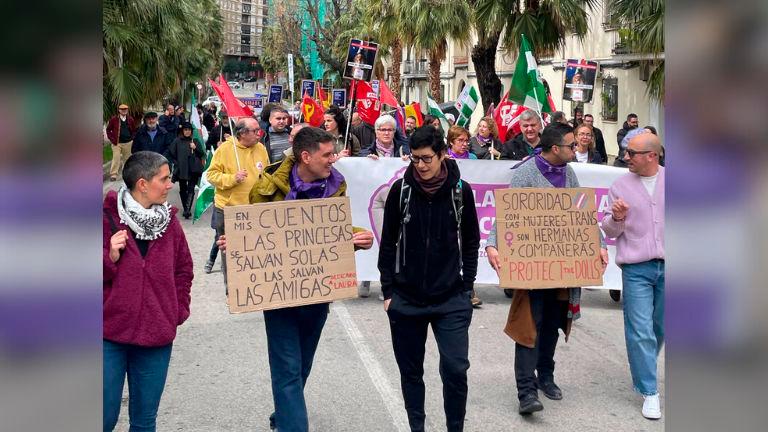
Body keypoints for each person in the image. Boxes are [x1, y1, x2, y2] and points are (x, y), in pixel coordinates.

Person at [218, 127, 374, 432]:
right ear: (306, 156)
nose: (333, 160)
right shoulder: (267, 186)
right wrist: (236, 240)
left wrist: (357, 237)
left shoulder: (337, 186)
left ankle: (284, 414)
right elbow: (255, 232)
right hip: (278, 295)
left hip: (317, 292)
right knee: (287, 367)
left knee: (301, 364)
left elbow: (330, 232)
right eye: (327, 154)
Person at [485, 123, 608, 416]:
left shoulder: (569, 173)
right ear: (556, 149)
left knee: (553, 323)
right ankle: (526, 391)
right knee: (529, 326)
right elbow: (508, 215)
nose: (575, 149)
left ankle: (546, 376)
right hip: (531, 271)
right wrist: (492, 245)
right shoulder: (527, 174)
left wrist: (598, 243)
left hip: (561, 270)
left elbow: (582, 214)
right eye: (571, 146)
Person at [378, 125, 480, 432]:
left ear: (443, 155)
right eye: (414, 159)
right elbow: (388, 242)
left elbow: (471, 240)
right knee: (411, 372)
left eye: (426, 159)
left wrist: (467, 286)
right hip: (406, 299)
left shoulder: (461, 191)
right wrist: (388, 290)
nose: (420, 166)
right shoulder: (401, 191)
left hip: (451, 298)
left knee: (455, 369)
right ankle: (417, 427)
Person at [103, 151, 192, 432]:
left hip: (156, 336)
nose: (170, 184)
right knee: (101, 417)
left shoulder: (170, 223)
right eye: (164, 179)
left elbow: (184, 270)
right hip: (107, 335)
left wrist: (176, 312)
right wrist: (109, 257)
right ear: (143, 184)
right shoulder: (104, 218)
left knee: (144, 420)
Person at [601, 132, 665, 420]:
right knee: (640, 329)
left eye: (633, 153)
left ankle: (643, 368)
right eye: (626, 152)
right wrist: (617, 217)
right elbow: (610, 231)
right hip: (637, 268)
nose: (626, 157)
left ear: (652, 156)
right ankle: (650, 391)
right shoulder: (620, 185)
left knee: (660, 327)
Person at [205, 117, 270, 289]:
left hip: (255, 210)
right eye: (255, 131)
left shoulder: (261, 148)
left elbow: (268, 174)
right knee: (230, 251)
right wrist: (233, 178)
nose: (259, 134)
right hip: (229, 209)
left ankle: (253, 286)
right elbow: (211, 175)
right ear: (241, 133)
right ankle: (233, 290)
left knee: (255, 249)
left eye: (259, 130)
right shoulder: (226, 149)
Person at [167, 122, 206, 219]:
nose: (187, 132)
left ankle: (187, 210)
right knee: (183, 189)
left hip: (193, 169)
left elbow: (202, 154)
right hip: (182, 168)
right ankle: (185, 208)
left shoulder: (195, 141)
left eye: (189, 130)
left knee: (191, 189)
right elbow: (171, 153)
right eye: (185, 130)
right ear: (182, 131)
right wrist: (176, 162)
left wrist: (195, 148)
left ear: (191, 131)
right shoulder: (177, 141)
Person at [106, 103, 137, 181]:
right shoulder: (114, 119)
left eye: (125, 109)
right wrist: (112, 139)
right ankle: (113, 174)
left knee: (127, 159)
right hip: (117, 143)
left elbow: (134, 130)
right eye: (122, 109)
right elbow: (108, 130)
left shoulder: (130, 119)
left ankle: (126, 173)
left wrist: (132, 138)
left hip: (128, 142)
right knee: (116, 158)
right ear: (119, 110)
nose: (124, 111)